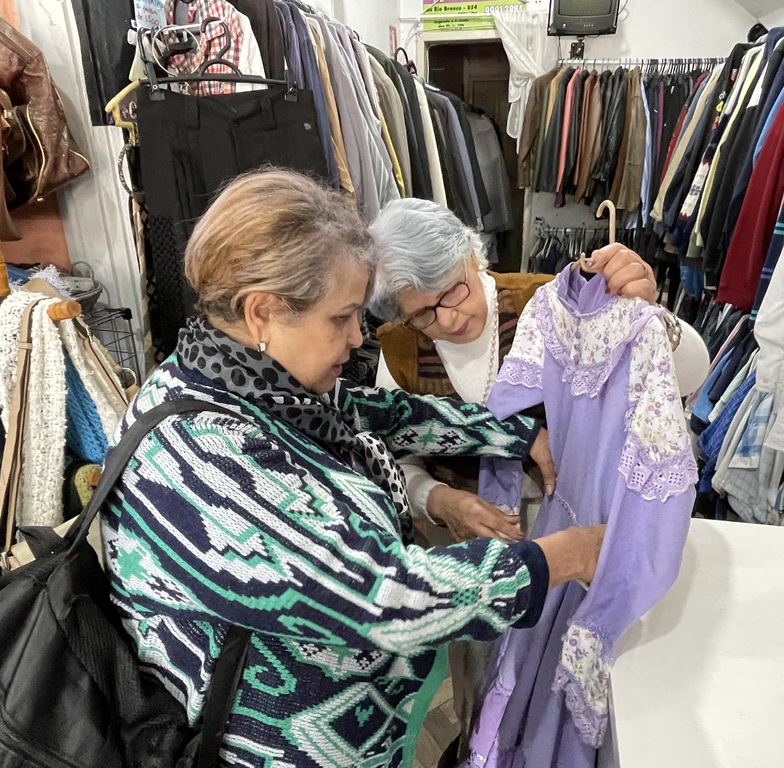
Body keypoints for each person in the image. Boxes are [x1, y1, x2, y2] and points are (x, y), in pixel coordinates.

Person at [100, 169, 606, 768]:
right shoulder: (199, 454)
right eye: (340, 318)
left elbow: (380, 414)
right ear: (262, 312)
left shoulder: (257, 387)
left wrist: (519, 432)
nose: (358, 336)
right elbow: (384, 597)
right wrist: (565, 556)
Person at [368, 197, 707, 765]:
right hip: (468, 549)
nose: (447, 319)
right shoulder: (400, 351)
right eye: (423, 313)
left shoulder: (547, 303)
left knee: (559, 676)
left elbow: (687, 372)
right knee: (482, 670)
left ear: (472, 256)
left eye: (453, 290)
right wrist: (441, 499)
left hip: (571, 529)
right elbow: (392, 456)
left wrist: (650, 314)